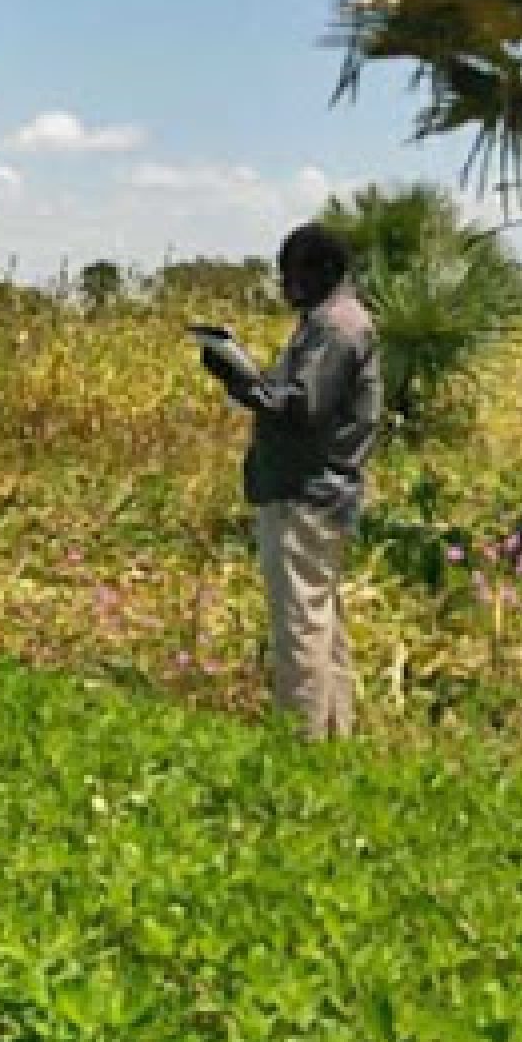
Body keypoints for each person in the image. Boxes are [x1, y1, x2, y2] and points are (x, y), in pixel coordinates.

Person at [201, 223, 381, 740]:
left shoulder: (335, 328)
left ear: (324, 271)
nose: (286, 285)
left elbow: (302, 408)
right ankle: (333, 735)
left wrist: (237, 380)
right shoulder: (330, 322)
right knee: (323, 620)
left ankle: (299, 744)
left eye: (294, 273)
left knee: (300, 625)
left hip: (304, 492)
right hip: (319, 492)